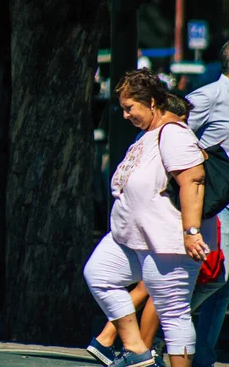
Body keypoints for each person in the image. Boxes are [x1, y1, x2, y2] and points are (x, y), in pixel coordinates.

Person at [84, 68, 213, 367]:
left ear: (152, 103)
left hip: (165, 241)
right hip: (131, 237)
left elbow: (193, 180)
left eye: (130, 108)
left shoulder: (173, 134)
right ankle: (136, 350)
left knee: (173, 313)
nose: (125, 115)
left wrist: (191, 231)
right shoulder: (149, 134)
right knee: (100, 274)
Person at [183, 42, 229, 367]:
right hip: (216, 202)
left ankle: (202, 358)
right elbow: (177, 139)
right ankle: (169, 323)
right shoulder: (209, 96)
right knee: (217, 277)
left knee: (225, 284)